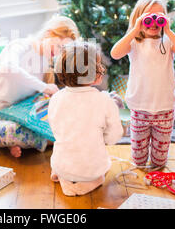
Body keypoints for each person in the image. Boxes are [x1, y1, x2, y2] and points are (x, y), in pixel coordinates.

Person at [111, 0, 175, 168]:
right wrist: (135, 28)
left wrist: (169, 31)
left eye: (159, 17)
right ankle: (142, 165)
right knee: (138, 161)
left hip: (164, 107)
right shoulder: (134, 42)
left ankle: (157, 166)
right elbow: (115, 53)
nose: (154, 22)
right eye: (149, 17)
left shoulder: (168, 41)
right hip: (140, 106)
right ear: (139, 18)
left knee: (159, 162)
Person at [0, 16, 80, 158]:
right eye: (59, 46)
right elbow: (8, 68)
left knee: (60, 114)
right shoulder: (19, 46)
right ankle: (54, 140)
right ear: (48, 33)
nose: (58, 53)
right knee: (13, 131)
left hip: (22, 116)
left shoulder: (45, 62)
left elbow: (36, 99)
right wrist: (44, 87)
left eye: (62, 50)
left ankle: (26, 142)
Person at [48, 41, 123, 196]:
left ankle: (64, 176)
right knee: (102, 166)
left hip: (62, 164)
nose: (101, 68)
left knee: (62, 150)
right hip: (91, 170)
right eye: (98, 65)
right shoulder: (104, 101)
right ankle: (87, 182)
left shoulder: (55, 98)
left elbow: (55, 128)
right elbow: (114, 136)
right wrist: (101, 139)